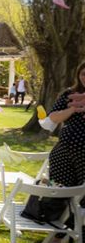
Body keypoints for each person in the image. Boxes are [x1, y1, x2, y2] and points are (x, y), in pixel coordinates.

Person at [46, 60, 85, 188]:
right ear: (78, 76)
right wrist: (73, 108)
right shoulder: (69, 94)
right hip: (63, 152)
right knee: (59, 190)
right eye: (83, 74)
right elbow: (53, 117)